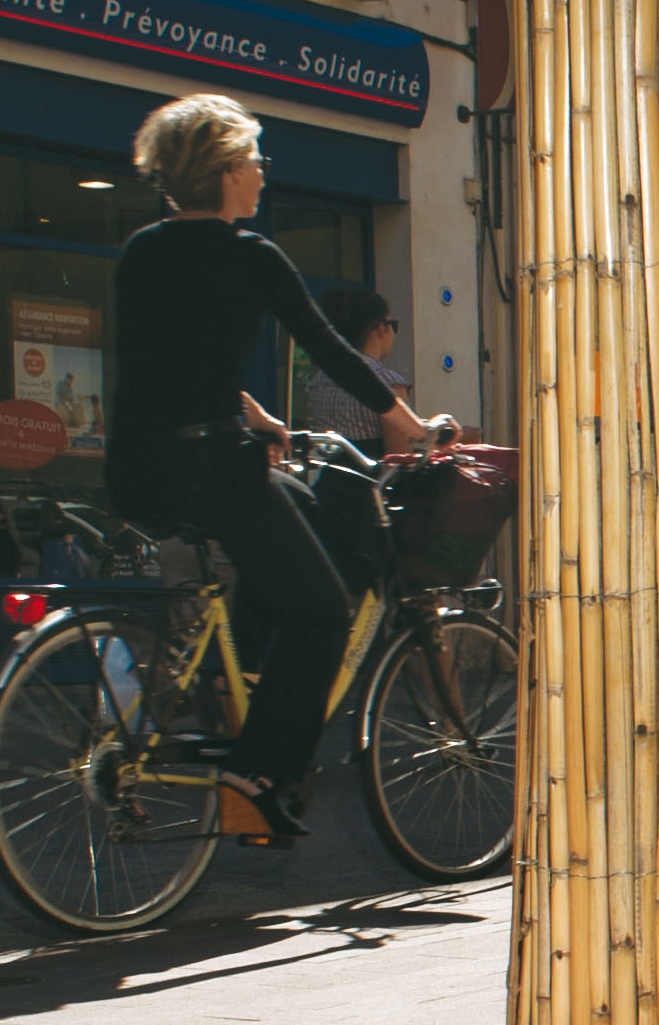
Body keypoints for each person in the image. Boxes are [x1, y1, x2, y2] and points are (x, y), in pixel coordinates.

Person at [107, 94, 437, 842]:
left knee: (302, 511)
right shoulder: (248, 256)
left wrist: (252, 413)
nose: (261, 174)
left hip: (140, 466)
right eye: (254, 160)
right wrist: (410, 427)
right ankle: (256, 774)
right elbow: (330, 349)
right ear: (225, 172)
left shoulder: (143, 252)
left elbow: (171, 363)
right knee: (323, 608)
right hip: (210, 469)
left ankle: (241, 679)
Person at [302, 287, 406, 448]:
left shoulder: (319, 381)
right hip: (371, 472)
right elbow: (399, 455)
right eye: (392, 325)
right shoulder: (390, 382)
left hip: (331, 471)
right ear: (380, 328)